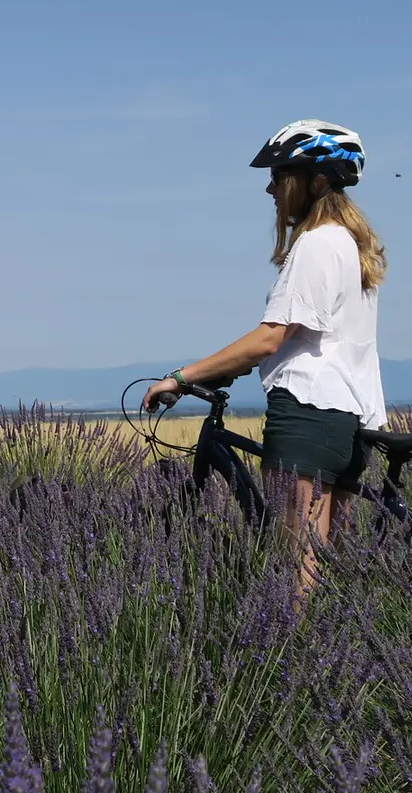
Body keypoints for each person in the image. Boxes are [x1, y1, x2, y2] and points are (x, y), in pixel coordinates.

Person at [142, 120, 387, 602]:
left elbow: (269, 340)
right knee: (330, 575)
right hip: (349, 419)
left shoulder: (316, 244)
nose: (271, 187)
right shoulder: (350, 245)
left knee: (297, 572)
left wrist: (181, 377)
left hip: (307, 414)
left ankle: (292, 670)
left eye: (279, 176)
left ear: (315, 181)